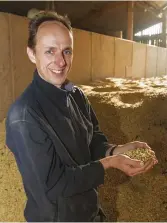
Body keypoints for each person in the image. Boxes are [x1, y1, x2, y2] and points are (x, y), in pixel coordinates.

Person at [5, 11, 158, 222]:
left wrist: (116, 150)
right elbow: (54, 184)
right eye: (50, 51)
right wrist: (111, 162)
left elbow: (92, 139)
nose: (61, 62)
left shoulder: (75, 95)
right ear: (32, 54)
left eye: (66, 51)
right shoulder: (24, 116)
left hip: (88, 210)